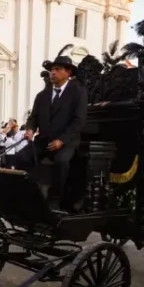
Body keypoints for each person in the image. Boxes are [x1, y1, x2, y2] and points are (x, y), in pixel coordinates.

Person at [21, 51, 88, 207]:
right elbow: (33, 118)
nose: (53, 72)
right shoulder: (42, 95)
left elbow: (79, 121)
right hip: (43, 141)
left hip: (67, 142)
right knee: (21, 157)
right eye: (52, 69)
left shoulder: (78, 93)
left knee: (61, 161)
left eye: (58, 69)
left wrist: (62, 140)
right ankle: (29, 192)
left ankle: (56, 198)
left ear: (68, 72)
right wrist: (30, 129)